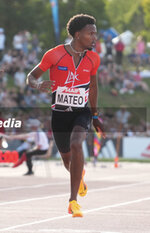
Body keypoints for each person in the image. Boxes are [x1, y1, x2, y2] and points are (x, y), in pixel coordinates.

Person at [26, 14, 105, 217]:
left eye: (95, 33)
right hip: (59, 114)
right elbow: (31, 76)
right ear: (78, 34)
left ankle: (73, 201)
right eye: (91, 33)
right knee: (67, 160)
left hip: (82, 112)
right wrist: (37, 85)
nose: (95, 37)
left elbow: (94, 88)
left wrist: (95, 116)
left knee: (77, 143)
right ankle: (79, 177)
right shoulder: (54, 54)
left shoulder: (94, 58)